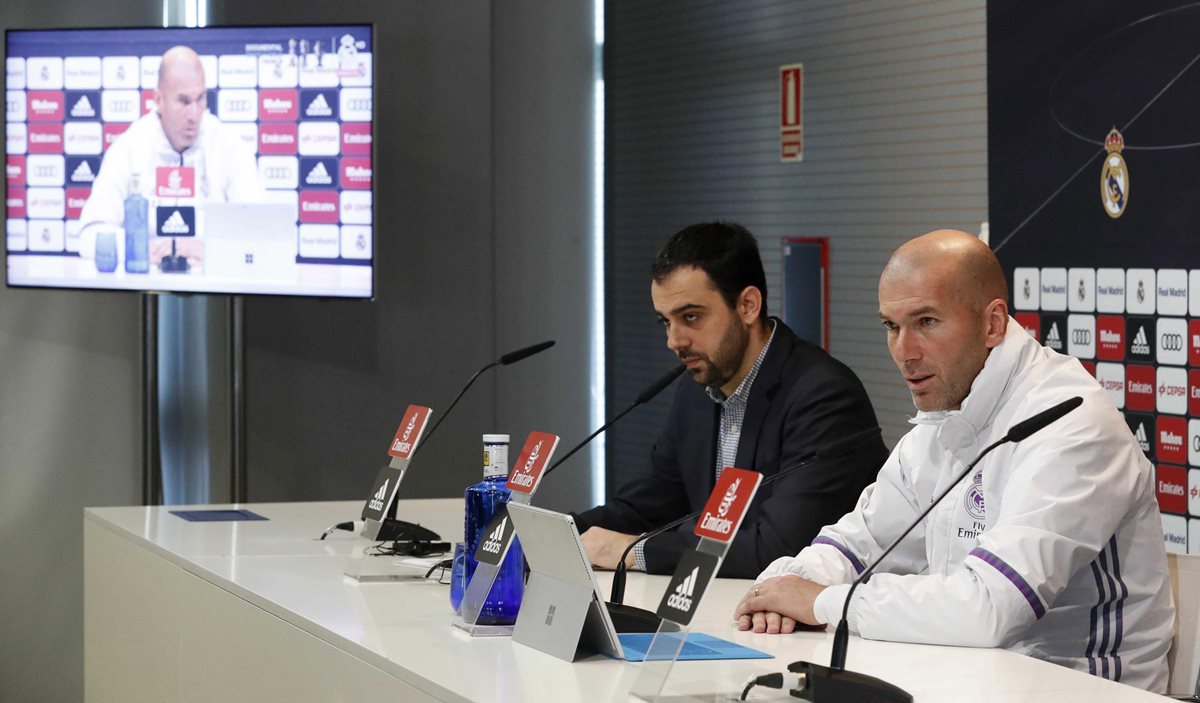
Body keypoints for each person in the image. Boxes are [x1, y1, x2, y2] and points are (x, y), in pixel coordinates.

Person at [734, 230, 1174, 692]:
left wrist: (823, 603)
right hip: (971, 679)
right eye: (891, 326)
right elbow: (858, 544)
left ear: (993, 323)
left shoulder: (1070, 422)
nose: (904, 351)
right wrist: (786, 586)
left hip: (1083, 690)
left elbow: (991, 608)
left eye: (926, 321)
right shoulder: (946, 413)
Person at [574, 222, 888, 579]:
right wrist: (560, 531)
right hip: (725, 609)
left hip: (816, 622)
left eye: (691, 317)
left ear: (748, 306)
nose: (674, 341)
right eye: (666, 322)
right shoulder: (696, 391)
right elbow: (646, 506)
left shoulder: (823, 396)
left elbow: (777, 547)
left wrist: (636, 551)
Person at [78, 45, 266, 269]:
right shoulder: (129, 148)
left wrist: (214, 250)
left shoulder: (230, 146)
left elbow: (262, 235)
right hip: (145, 289)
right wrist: (140, 248)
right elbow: (90, 235)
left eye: (201, 99)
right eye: (184, 101)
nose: (194, 114)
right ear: (158, 100)